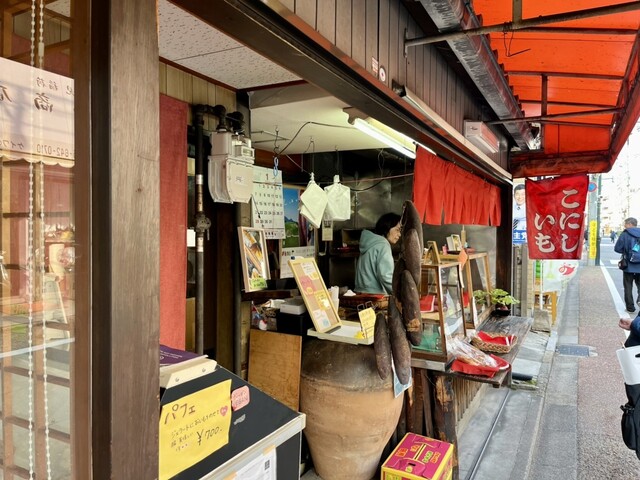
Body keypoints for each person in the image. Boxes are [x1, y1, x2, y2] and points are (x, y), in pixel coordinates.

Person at [354, 213, 401, 294]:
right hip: (375, 295)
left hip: (360, 293)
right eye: (397, 230)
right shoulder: (383, 244)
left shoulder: (370, 241)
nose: (399, 234)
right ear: (387, 227)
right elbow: (386, 276)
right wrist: (400, 293)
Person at [615, 217, 640, 313]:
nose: (624, 226)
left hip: (628, 265)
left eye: (625, 224)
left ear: (629, 224)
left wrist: (625, 251)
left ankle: (630, 308)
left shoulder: (625, 234)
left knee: (628, 286)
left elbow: (617, 248)